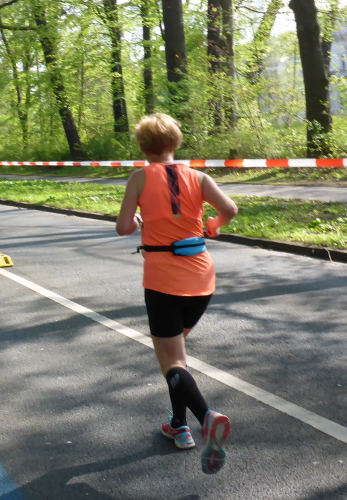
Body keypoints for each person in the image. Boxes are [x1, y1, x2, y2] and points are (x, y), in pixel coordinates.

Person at [115, 113, 238, 474]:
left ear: (143, 147)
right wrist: (213, 224)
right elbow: (229, 209)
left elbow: (123, 227)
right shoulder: (198, 177)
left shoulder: (139, 178)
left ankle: (205, 417)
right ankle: (178, 426)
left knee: (171, 362)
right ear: (176, 142)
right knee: (176, 354)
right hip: (201, 279)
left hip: (163, 281)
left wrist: (138, 221)